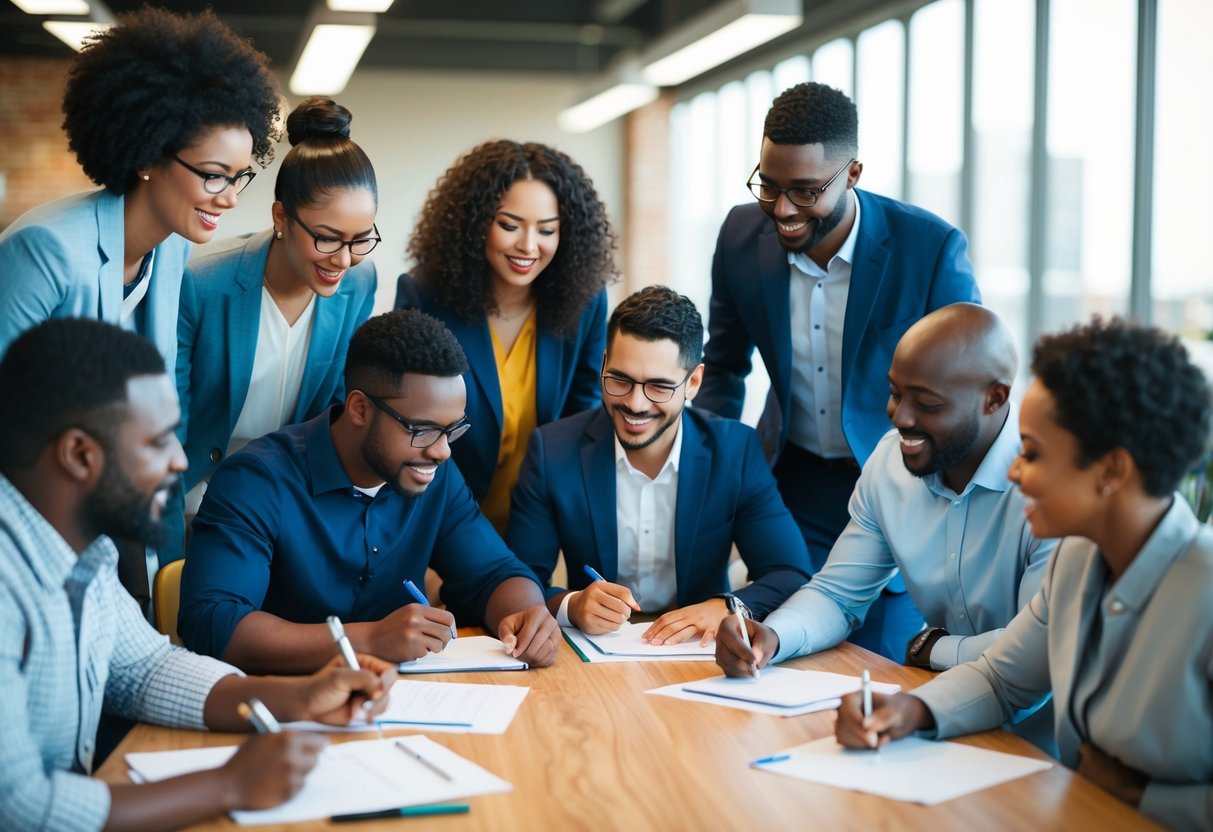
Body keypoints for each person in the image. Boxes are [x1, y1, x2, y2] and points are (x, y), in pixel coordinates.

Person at [0, 319, 395, 832]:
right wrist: (227, 785)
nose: (179, 461)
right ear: (79, 454)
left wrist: (299, 698)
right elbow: (18, 808)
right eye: (158, 441)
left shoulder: (84, 553)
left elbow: (145, 671)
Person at [835, 318, 1213, 832]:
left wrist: (1144, 796)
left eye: (1032, 454)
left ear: (1112, 471)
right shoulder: (1078, 560)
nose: (1012, 471)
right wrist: (908, 712)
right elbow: (1002, 680)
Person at [0, 6, 280, 608]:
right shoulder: (44, 251)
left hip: (114, 523)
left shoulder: (171, 250)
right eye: (213, 175)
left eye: (240, 177)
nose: (229, 199)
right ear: (149, 155)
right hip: (28, 539)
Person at [695, 82, 981, 658]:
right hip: (794, 480)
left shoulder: (928, 247)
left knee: (874, 659)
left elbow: (968, 387)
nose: (782, 210)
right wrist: (704, 469)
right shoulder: (739, 237)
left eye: (804, 192)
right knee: (777, 643)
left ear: (852, 173)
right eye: (769, 187)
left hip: (901, 484)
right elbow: (724, 368)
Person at [716, 305, 1057, 744]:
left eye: (927, 403)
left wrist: (935, 648)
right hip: (932, 712)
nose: (901, 417)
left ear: (995, 398)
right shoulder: (889, 464)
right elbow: (837, 595)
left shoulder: (1049, 490)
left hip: (1037, 736)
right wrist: (773, 637)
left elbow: (1036, 652)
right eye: (896, 393)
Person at [178, 309, 561, 674]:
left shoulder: (432, 474)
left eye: (453, 430)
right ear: (359, 409)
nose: (442, 451)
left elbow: (496, 573)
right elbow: (212, 623)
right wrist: (367, 639)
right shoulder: (257, 480)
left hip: (403, 703)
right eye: (422, 430)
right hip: (277, 711)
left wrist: (527, 616)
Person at [508, 286, 814, 643]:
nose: (636, 404)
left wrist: (728, 606)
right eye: (620, 379)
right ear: (604, 363)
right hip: (594, 658)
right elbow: (519, 576)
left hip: (700, 654)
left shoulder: (736, 451)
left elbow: (790, 572)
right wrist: (571, 605)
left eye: (658, 387)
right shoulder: (552, 450)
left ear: (693, 382)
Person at [168, 97, 379, 562]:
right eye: (327, 238)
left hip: (289, 503)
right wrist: (162, 563)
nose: (344, 260)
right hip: (194, 502)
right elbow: (166, 431)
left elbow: (340, 408)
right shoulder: (201, 284)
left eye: (361, 239)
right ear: (281, 217)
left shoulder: (358, 283)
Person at [395, 140, 618, 534]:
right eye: (510, 225)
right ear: (476, 222)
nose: (528, 246)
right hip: (440, 518)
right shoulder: (425, 295)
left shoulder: (585, 301)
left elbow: (582, 422)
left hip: (538, 520)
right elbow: (409, 430)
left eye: (547, 230)